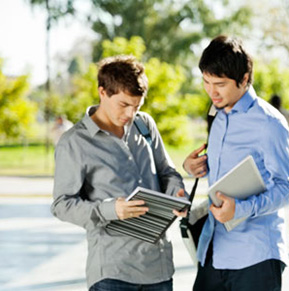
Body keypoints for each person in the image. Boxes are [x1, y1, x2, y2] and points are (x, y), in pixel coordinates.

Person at [51, 55, 187, 290]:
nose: (130, 114)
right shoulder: (74, 142)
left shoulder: (144, 125)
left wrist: (176, 192)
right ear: (103, 92)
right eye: (124, 105)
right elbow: (62, 204)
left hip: (158, 269)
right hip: (113, 273)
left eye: (137, 106)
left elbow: (167, 172)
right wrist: (110, 209)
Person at [182, 35, 289, 291]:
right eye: (206, 82)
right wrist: (194, 167)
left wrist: (241, 209)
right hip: (214, 250)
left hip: (256, 256)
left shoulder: (270, 124)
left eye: (220, 84)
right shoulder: (218, 116)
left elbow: (288, 188)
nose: (212, 91)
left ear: (244, 79)